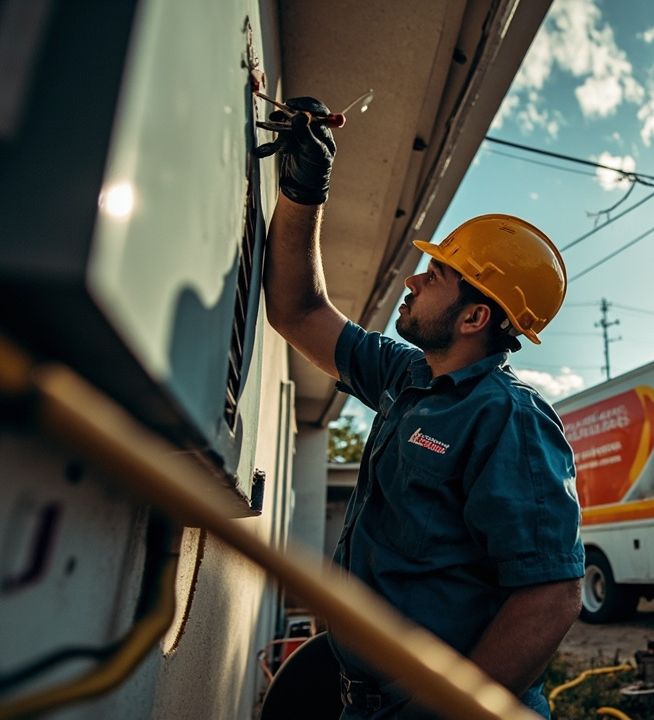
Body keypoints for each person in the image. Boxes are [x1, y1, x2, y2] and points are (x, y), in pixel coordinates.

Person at [255, 97, 584, 719]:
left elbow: (550, 596)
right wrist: (305, 191)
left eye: (435, 274)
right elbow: (297, 311)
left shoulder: (507, 417)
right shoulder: (407, 376)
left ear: (474, 316)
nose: (413, 280)